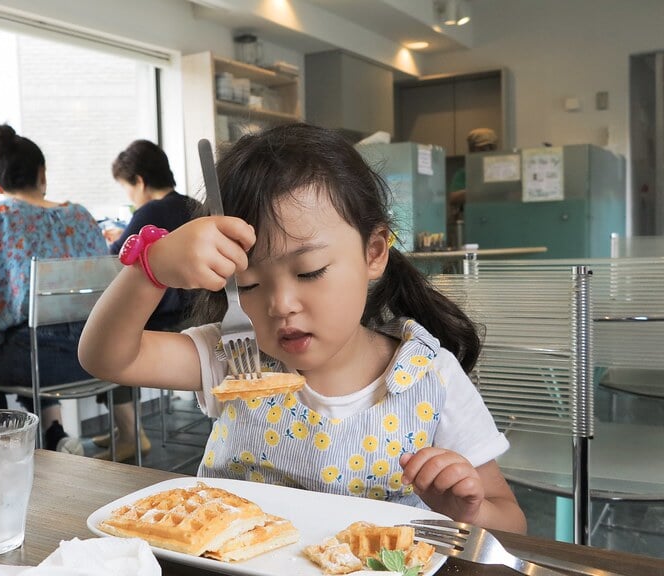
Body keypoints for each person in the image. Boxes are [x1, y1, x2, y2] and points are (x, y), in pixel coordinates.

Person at [79, 124, 526, 533]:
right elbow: (107, 357)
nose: (281, 305)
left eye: (310, 271)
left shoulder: (431, 378)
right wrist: (150, 269)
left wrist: (468, 511)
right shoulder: (237, 358)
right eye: (250, 283)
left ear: (374, 252)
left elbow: (512, 523)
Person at [0, 124, 106, 455]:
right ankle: (54, 434)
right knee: (31, 339)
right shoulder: (82, 215)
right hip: (94, 355)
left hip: (37, 359)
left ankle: (0, 455)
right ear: (41, 173)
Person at [92, 139, 200, 460]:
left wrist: (113, 239)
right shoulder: (193, 205)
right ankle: (122, 428)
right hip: (199, 313)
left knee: (113, 333)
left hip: (166, 314)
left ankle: (129, 432)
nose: (129, 195)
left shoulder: (151, 211)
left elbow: (119, 259)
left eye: (127, 187)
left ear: (139, 181)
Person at [449, 128, 497, 247]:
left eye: (490, 148)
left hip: (498, 225)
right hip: (472, 228)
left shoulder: (501, 172)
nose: (486, 152)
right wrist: (479, 189)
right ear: (472, 150)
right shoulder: (464, 173)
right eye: (482, 149)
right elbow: (453, 197)